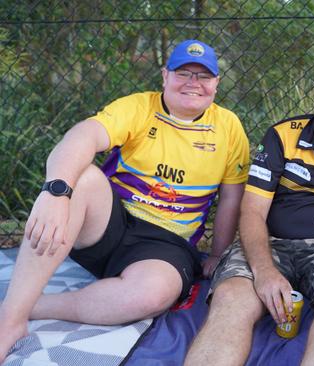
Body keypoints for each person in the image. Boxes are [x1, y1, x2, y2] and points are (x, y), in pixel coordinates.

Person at [0, 39, 250, 362]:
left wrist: (217, 254)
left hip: (167, 245)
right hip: (113, 223)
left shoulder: (229, 127)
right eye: (183, 73)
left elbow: (232, 196)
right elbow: (83, 135)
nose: (193, 83)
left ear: (216, 84)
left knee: (155, 293)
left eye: (204, 76)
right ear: (164, 76)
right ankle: (10, 320)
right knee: (85, 178)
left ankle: (33, 305)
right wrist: (56, 192)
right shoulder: (140, 106)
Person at [184, 53, 314, 365]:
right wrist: (265, 270)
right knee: (232, 298)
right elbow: (252, 211)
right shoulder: (282, 135)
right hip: (271, 242)